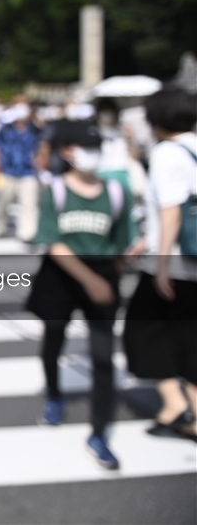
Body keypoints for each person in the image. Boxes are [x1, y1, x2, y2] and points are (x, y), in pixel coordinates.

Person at [28, 121, 136, 470]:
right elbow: (53, 243)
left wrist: (116, 271)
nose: (92, 154)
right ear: (67, 152)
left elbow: (122, 243)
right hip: (63, 277)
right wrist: (90, 280)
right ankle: (54, 393)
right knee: (53, 338)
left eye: (96, 146)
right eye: (84, 147)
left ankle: (99, 431)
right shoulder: (56, 191)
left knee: (103, 357)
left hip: (102, 276)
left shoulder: (117, 191)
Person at [123, 89, 197, 441]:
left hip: (177, 262)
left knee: (142, 332)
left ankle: (173, 404)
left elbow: (171, 213)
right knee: (189, 335)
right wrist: (146, 240)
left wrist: (162, 263)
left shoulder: (168, 153)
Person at [0, 96, 40, 241]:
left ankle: (27, 233)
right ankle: (1, 225)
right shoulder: (5, 129)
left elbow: (41, 148)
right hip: (7, 171)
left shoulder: (35, 129)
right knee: (3, 202)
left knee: (29, 204)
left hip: (28, 172)